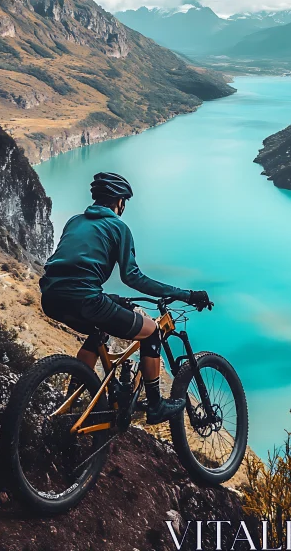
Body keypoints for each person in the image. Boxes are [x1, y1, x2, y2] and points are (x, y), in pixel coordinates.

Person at [40, 171, 212, 425]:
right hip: (87, 299)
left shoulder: (74, 222)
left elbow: (71, 270)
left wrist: (107, 296)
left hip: (51, 297)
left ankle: (72, 401)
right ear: (119, 200)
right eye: (124, 202)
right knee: (152, 331)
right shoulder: (119, 227)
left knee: (98, 332)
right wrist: (185, 294)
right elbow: (134, 278)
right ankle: (156, 406)